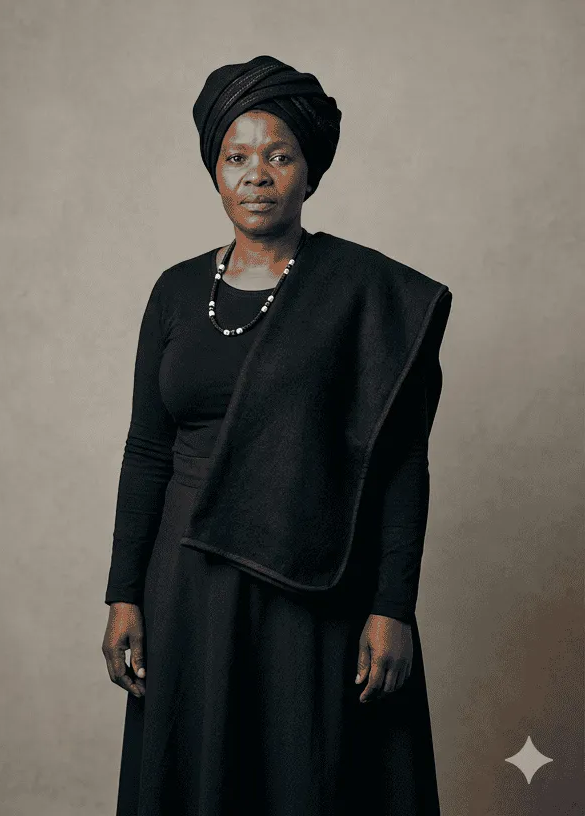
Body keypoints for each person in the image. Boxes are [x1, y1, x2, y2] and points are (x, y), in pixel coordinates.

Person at [100, 56, 452, 815]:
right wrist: (124, 593)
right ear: (215, 171)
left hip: (315, 581)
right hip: (187, 585)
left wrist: (393, 606)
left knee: (310, 779)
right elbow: (146, 451)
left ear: (309, 172)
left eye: (278, 154)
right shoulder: (174, 289)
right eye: (237, 156)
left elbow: (402, 466)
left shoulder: (367, 295)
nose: (256, 174)